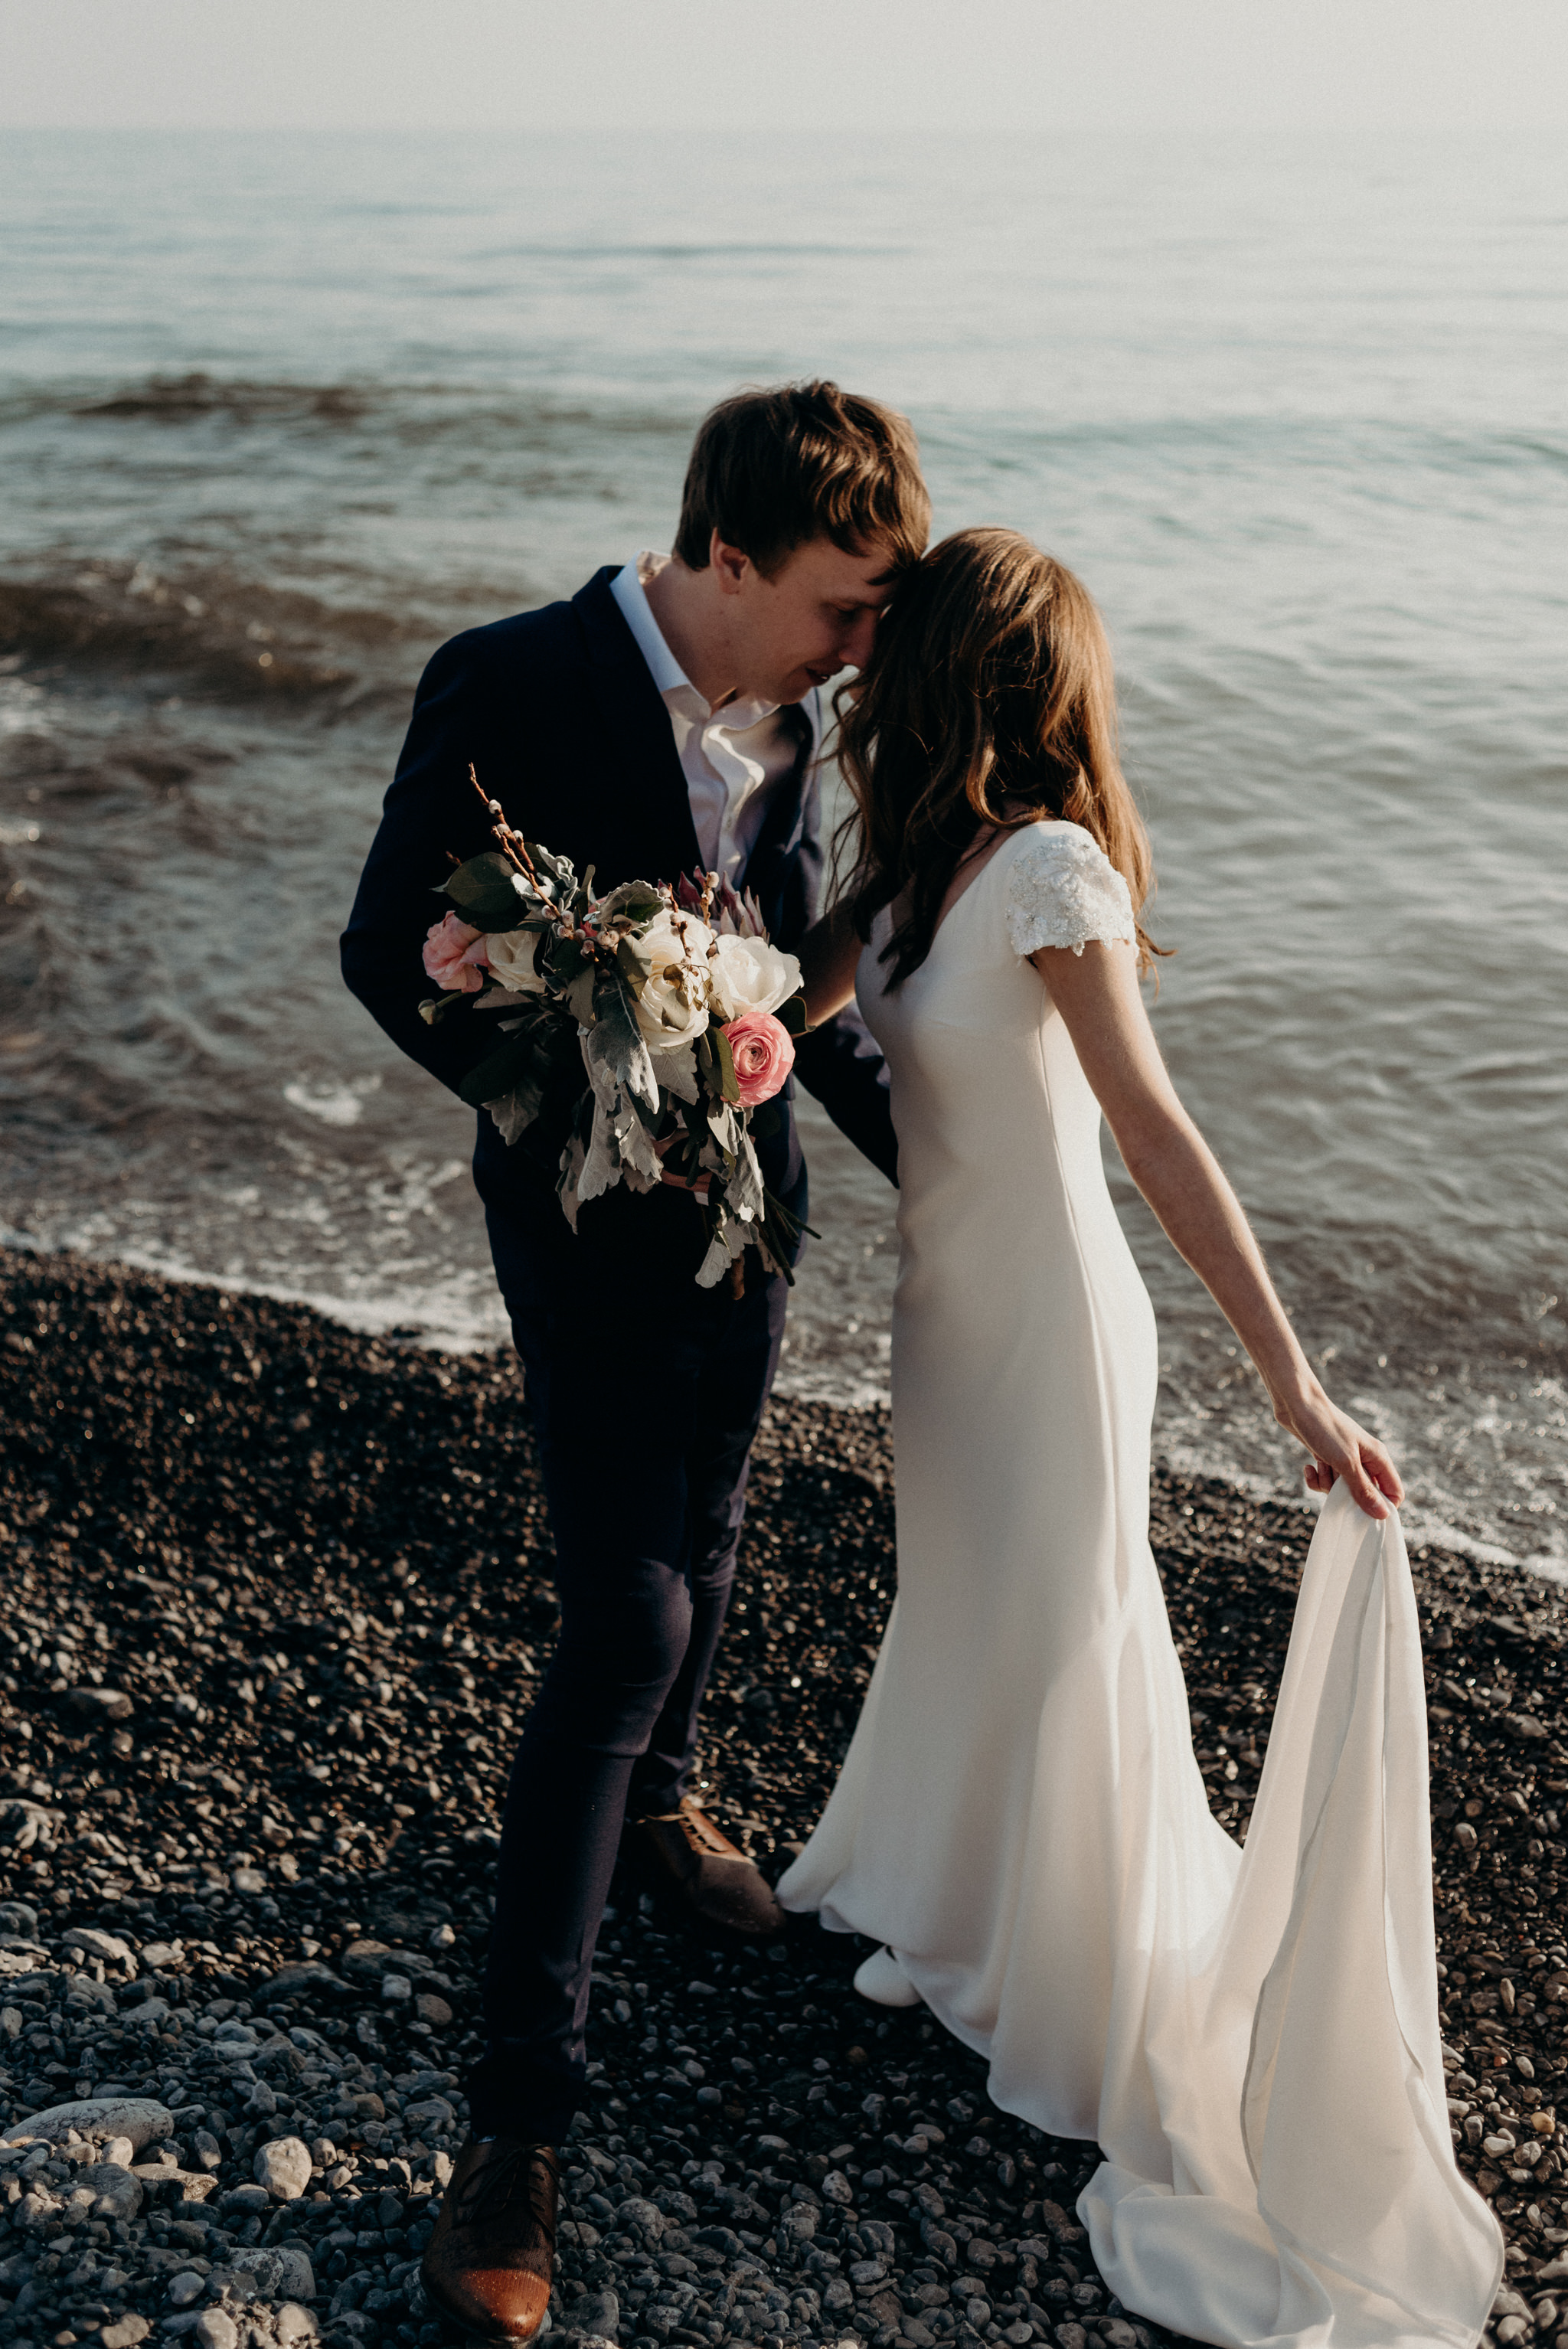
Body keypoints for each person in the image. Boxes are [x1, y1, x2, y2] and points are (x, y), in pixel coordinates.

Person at [779, 528, 1503, 2348]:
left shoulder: (1049, 870)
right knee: (966, 1618)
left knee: (1067, 1632)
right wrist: (650, 1004)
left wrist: (1291, 1382)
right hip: (944, 1328)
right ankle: (961, 1917)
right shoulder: (910, 881)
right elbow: (771, 1021)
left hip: (1057, 1330)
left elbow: (1155, 1135)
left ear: (944, 675)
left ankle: (1071, 1981)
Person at [341, 383, 928, 2343]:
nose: (870, 641)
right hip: (582, 1226)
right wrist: (577, 1084)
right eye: (850, 601)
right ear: (732, 557)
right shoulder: (505, 675)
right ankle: (515, 2130)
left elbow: (788, 988)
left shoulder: (812, 723)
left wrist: (958, 1170)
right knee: (625, 1611)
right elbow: (381, 949)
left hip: (751, 1212)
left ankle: (665, 1805)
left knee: (723, 1511)